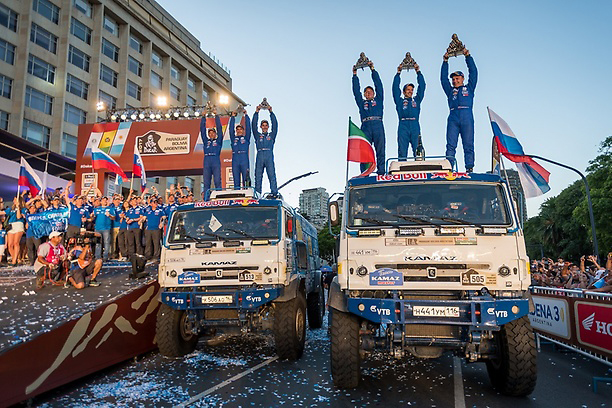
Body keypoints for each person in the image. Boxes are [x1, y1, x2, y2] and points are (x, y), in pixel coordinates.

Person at [441, 48, 477, 172]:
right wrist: (445, 61)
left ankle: (469, 168)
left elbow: (474, 73)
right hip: (453, 116)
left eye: (457, 78)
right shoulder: (450, 91)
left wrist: (468, 57)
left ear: (462, 79)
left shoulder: (469, 88)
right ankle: (449, 167)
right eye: (454, 79)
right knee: (451, 145)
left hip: (467, 116)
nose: (455, 81)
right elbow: (443, 79)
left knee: (468, 144)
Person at [353, 60, 385, 174]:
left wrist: (373, 70)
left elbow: (379, 85)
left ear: (374, 93)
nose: (368, 93)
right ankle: (365, 172)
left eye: (370, 92)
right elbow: (356, 92)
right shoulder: (362, 103)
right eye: (366, 92)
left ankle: (381, 171)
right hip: (366, 125)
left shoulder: (379, 100)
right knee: (364, 151)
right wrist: (355, 76)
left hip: (378, 124)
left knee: (380, 149)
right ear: (364, 95)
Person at [393, 63, 425, 159]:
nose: (410, 91)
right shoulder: (400, 101)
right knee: (402, 150)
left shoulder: (417, 100)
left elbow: (422, 86)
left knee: (418, 149)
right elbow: (395, 88)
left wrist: (418, 72)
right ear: (403, 92)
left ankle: (421, 168)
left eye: (411, 89)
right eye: (408, 89)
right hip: (403, 125)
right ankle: (402, 170)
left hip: (415, 124)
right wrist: (398, 74)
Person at [252, 104, 279, 195]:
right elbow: (253, 125)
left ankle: (274, 193)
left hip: (268, 154)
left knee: (271, 175)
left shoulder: (271, 135)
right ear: (261, 127)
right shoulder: (257, 135)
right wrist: (256, 112)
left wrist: (271, 112)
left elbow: (275, 125)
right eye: (263, 125)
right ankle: (258, 194)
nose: (264, 127)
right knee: (258, 176)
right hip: (260, 155)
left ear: (268, 127)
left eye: (266, 125)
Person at [201, 112, 224, 196]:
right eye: (209, 133)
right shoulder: (206, 141)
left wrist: (216, 116)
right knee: (206, 182)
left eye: (212, 133)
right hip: (207, 160)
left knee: (217, 180)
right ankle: (206, 199)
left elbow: (220, 129)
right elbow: (202, 130)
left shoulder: (218, 141)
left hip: (215, 160)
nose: (211, 134)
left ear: (215, 134)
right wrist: (203, 117)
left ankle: (218, 197)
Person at [229, 109, 252, 189]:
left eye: (240, 129)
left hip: (244, 158)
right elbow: (230, 130)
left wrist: (246, 116)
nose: (239, 131)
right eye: (237, 129)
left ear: (243, 131)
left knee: (246, 179)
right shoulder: (233, 138)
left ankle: (247, 193)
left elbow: (249, 128)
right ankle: (237, 194)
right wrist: (232, 117)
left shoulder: (246, 138)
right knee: (236, 179)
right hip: (235, 159)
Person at [92, 196, 116, 262]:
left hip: (106, 228)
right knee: (98, 243)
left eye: (106, 200)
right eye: (103, 200)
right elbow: (92, 218)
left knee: (106, 242)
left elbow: (114, 218)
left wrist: (110, 215)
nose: (104, 201)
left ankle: (105, 257)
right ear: (101, 201)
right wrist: (91, 216)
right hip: (97, 228)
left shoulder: (110, 209)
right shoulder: (96, 209)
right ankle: (97, 257)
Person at [4, 196, 25, 266]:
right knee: (10, 245)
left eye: (15, 199)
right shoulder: (10, 209)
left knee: (16, 243)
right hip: (11, 225)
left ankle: (14, 261)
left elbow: (18, 216)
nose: (14, 200)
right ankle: (15, 259)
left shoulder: (23, 209)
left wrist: (18, 207)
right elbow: (3, 212)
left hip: (18, 224)